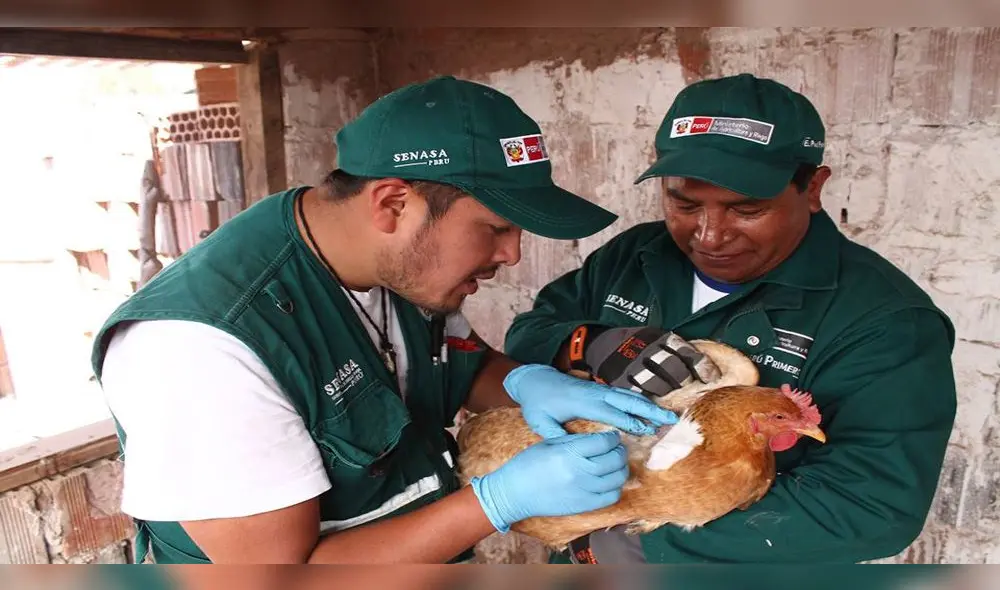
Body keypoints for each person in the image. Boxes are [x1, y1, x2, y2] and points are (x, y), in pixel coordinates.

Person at [90, 75, 687, 564]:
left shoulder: (394, 268)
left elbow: (455, 359)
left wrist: (521, 381)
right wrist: (496, 503)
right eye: (497, 228)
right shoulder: (200, 349)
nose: (512, 256)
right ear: (394, 203)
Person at [503, 73, 958, 563]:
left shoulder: (885, 322)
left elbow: (871, 506)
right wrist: (587, 341)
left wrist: (638, 546)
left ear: (813, 188)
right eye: (684, 202)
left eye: (747, 208)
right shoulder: (634, 256)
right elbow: (529, 335)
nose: (710, 235)